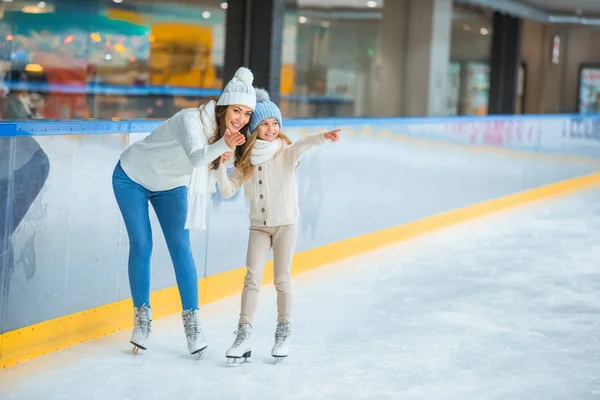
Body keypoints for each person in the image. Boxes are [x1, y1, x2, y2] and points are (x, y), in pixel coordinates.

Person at [112, 67, 256, 356]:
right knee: (143, 244)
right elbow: (196, 156)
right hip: (132, 176)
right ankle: (142, 319)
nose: (240, 119)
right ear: (224, 106)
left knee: (181, 249)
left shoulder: (224, 138)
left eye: (246, 114)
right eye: (236, 110)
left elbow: (221, 183)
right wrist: (222, 146)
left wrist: (234, 162)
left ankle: (193, 324)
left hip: (172, 185)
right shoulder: (190, 120)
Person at [214, 88, 341, 363]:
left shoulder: (285, 152)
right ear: (255, 128)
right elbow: (226, 191)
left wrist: (322, 137)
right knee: (251, 280)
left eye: (275, 124)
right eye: (264, 123)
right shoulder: (246, 161)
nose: (270, 129)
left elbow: (302, 145)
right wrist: (219, 167)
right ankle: (243, 335)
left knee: (282, 279)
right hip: (259, 226)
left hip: (286, 224)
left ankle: (283, 332)